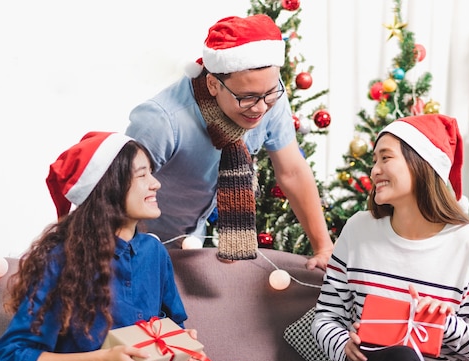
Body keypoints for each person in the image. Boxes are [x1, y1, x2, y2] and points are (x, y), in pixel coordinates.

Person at [0, 132, 263, 361]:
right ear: (107, 188)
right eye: (142, 175)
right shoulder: (61, 260)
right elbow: (9, 357)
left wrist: (181, 348)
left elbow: (171, 325)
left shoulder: (154, 251)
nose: (156, 183)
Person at [311, 114, 469, 361]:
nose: (374, 170)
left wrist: (443, 323)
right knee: (399, 357)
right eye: (374, 160)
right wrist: (343, 343)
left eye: (386, 158)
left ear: (422, 164)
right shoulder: (358, 229)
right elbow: (326, 316)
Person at [125, 14, 333, 268]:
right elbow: (115, 193)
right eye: (247, 97)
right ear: (213, 84)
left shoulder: (269, 99)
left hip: (192, 247)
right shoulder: (163, 121)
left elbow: (292, 171)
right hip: (136, 247)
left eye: (269, 94)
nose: (260, 108)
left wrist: (324, 248)